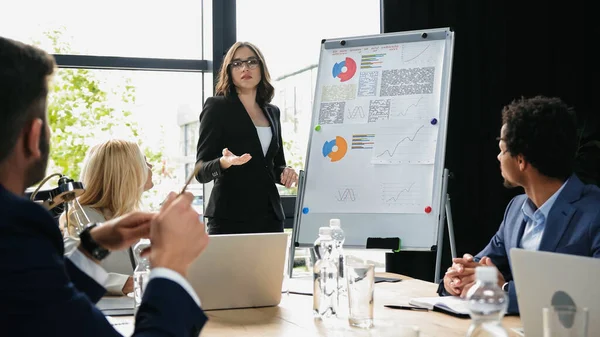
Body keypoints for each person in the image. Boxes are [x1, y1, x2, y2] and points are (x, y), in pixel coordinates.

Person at [0, 36, 209, 336]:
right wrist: (171, 266)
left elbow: (43, 307)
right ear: (34, 137)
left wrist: (93, 247)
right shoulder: (17, 229)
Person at [439, 96, 600, 314]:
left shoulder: (594, 212)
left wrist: (504, 289)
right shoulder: (516, 209)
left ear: (521, 161)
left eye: (502, 150)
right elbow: (482, 262)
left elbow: (591, 294)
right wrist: (457, 278)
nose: (498, 157)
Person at [195, 41, 298, 235]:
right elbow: (200, 170)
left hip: (270, 216)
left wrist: (286, 172)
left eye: (252, 62)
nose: (245, 68)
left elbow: (275, 165)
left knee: (270, 267)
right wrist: (225, 162)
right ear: (229, 71)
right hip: (229, 217)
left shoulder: (272, 112)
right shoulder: (217, 107)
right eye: (237, 63)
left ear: (261, 68)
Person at [59, 139, 155, 296]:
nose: (151, 167)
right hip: (105, 311)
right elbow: (72, 271)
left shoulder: (135, 215)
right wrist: (126, 283)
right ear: (127, 172)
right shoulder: (81, 216)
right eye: (144, 162)